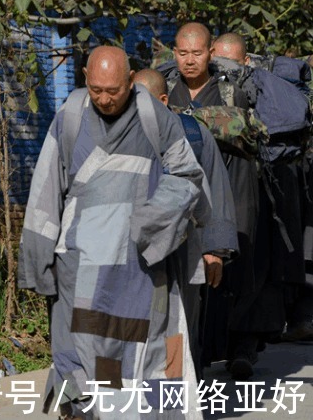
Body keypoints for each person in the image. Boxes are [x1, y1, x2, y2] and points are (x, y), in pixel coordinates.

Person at [19, 46, 207, 419]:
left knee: (148, 353)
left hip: (140, 269)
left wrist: (151, 225)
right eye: (97, 90)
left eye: (114, 91)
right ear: (86, 77)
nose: (104, 99)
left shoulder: (155, 117)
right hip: (81, 271)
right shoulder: (70, 117)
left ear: (131, 79)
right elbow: (44, 192)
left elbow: (188, 176)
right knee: (83, 355)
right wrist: (38, 263)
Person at [165, 23, 259, 380]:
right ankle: (193, 359)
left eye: (197, 53)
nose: (190, 61)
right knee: (185, 278)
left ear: (210, 54)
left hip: (230, 186)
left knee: (230, 272)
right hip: (180, 195)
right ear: (175, 53)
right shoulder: (166, 89)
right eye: (183, 53)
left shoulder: (228, 89)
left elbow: (243, 130)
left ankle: (238, 348)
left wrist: (186, 119)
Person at [134, 69, 239, 378]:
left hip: (183, 249)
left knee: (179, 327)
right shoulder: (118, 133)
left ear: (163, 101)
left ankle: (174, 397)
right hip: (132, 250)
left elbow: (215, 190)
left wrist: (214, 249)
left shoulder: (192, 133)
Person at [212, 34, 313, 344]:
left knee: (259, 257)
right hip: (275, 178)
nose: (223, 69)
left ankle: (246, 337)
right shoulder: (276, 90)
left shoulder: (255, 88)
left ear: (246, 61)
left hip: (257, 182)